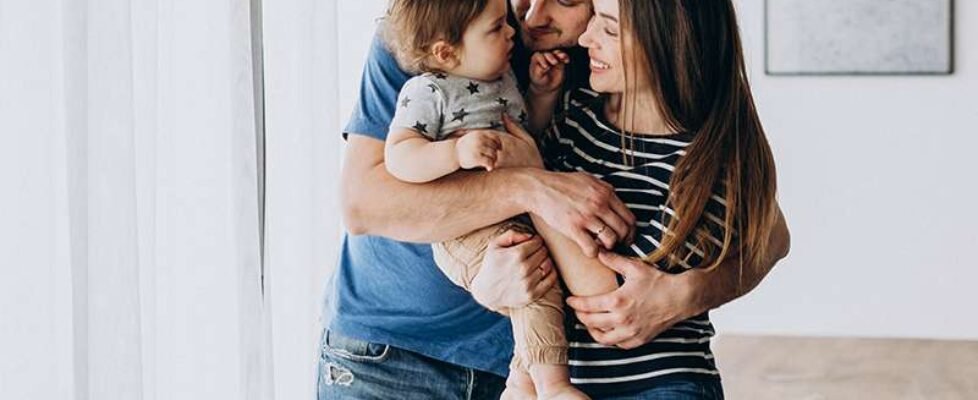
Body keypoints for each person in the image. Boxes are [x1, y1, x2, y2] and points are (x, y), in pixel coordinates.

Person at [319, 0, 791, 398]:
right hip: (397, 352)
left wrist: (688, 293)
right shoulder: (435, 24)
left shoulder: (600, 58)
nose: (532, 15)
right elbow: (364, 205)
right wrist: (531, 188)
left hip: (538, 367)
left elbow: (768, 232)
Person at [381, 0, 587, 398]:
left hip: (510, 219)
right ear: (446, 51)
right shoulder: (427, 91)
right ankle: (552, 386)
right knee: (535, 281)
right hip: (465, 232)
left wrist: (542, 95)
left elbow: (528, 141)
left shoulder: (503, 77)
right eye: (496, 28)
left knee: (542, 279)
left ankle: (521, 383)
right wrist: (454, 154)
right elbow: (400, 156)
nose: (512, 31)